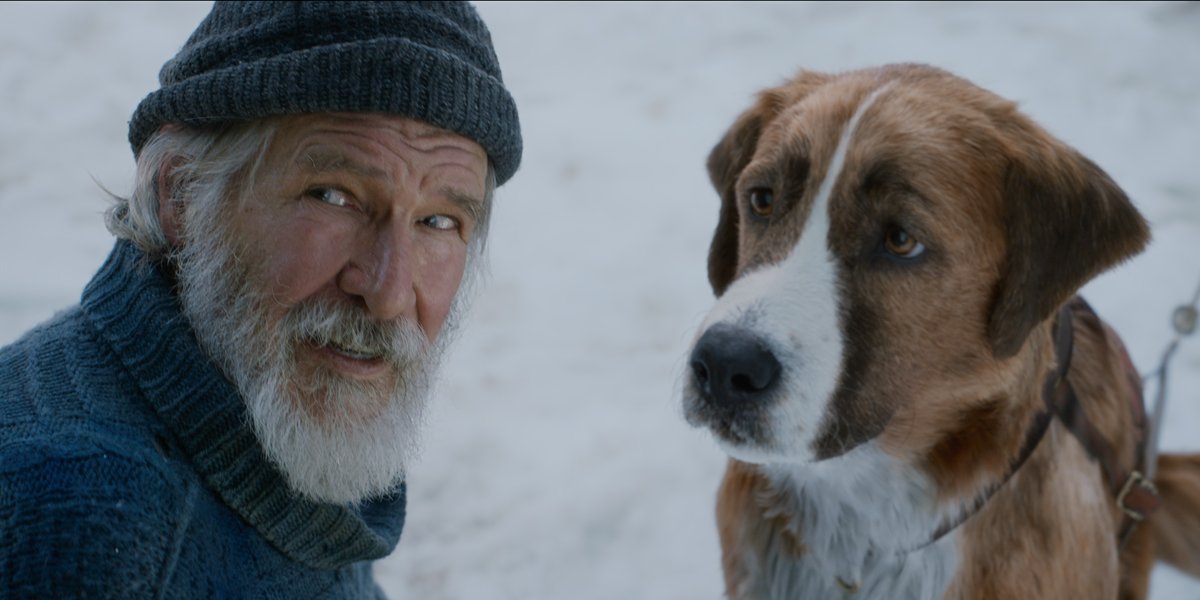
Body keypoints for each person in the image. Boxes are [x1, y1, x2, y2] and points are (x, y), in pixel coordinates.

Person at [0, 1, 521, 597]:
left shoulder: (284, 432)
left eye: (438, 221)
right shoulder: (80, 516)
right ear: (183, 197)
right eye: (334, 195)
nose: (387, 291)